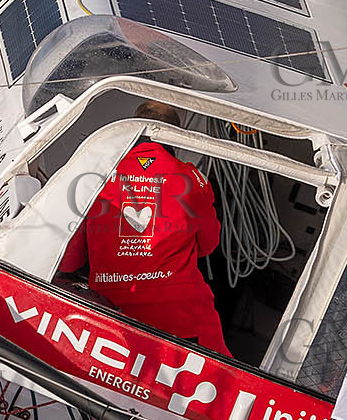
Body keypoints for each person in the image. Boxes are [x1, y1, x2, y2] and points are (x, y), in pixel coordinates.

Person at [58, 100, 229, 354]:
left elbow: (68, 261)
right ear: (175, 138)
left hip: (113, 325)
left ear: (132, 129)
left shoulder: (96, 174)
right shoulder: (193, 179)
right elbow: (208, 245)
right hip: (185, 323)